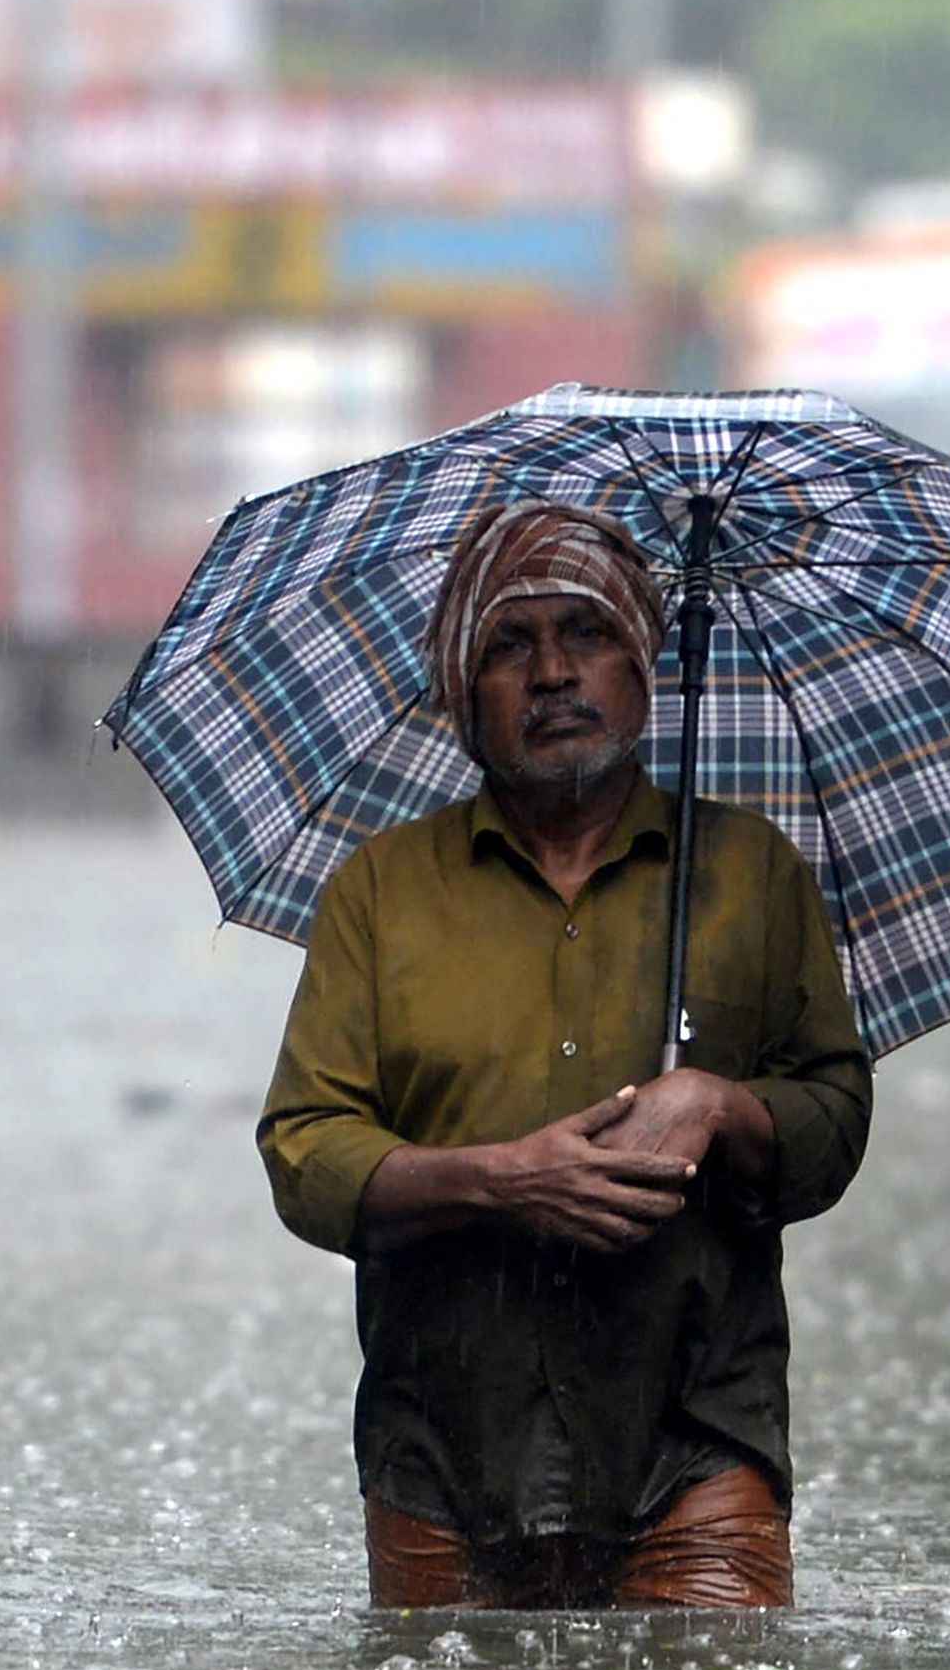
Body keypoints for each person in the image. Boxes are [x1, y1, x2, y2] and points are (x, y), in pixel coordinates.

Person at [255, 502, 873, 1608]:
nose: (551, 673)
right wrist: (501, 1180)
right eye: (508, 644)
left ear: (643, 668)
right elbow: (307, 1152)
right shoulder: (382, 891)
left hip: (695, 1444)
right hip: (444, 1452)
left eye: (587, 633)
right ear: (461, 693)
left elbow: (833, 1121)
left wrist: (721, 1104)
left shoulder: (749, 873)